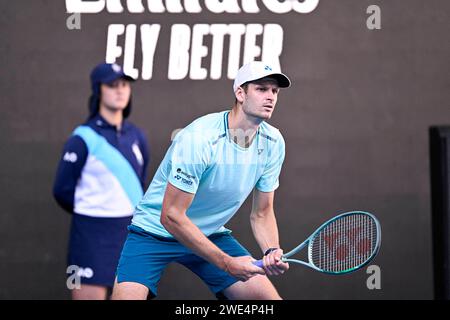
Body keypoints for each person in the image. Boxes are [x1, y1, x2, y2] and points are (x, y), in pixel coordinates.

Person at [112, 61, 290, 300]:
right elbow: (171, 216)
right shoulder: (199, 138)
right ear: (240, 93)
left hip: (209, 233)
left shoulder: (273, 142)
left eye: (274, 91)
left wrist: (271, 250)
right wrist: (227, 263)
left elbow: (262, 213)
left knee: (268, 302)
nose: (270, 97)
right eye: (261, 89)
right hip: (154, 231)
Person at [53, 62, 150, 300]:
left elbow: (141, 182)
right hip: (90, 236)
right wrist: (93, 209)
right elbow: (62, 190)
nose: (120, 90)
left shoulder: (137, 136)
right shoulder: (82, 137)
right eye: (112, 85)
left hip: (129, 234)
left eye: (125, 85)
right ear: (98, 90)